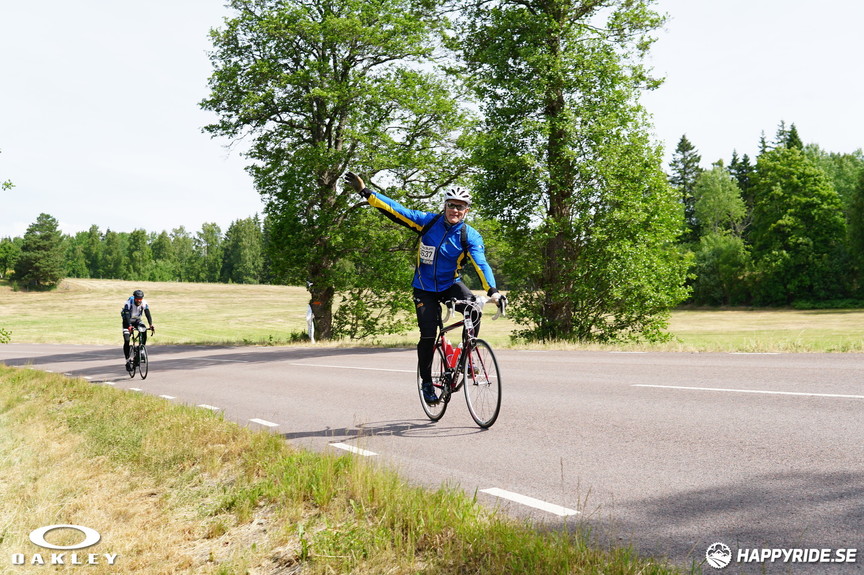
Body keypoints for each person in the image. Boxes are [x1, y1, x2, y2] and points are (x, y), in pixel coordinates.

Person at [344, 171, 505, 404]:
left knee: (474, 310)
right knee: (428, 334)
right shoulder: (428, 222)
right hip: (424, 288)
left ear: (467, 210)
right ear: (445, 206)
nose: (455, 210)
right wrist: (364, 192)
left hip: (450, 284)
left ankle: (467, 357)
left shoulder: (469, 236)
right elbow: (395, 210)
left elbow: (481, 264)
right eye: (451, 205)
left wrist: (493, 291)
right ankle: (427, 382)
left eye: (460, 207)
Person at [122, 289, 155, 371]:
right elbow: (126, 315)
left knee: (144, 330)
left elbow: (147, 313)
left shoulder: (144, 302)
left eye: (140, 299)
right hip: (127, 321)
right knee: (127, 340)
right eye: (137, 299)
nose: (139, 300)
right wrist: (129, 326)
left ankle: (141, 350)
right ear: (134, 298)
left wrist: (150, 324)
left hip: (137, 320)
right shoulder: (128, 303)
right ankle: (127, 361)